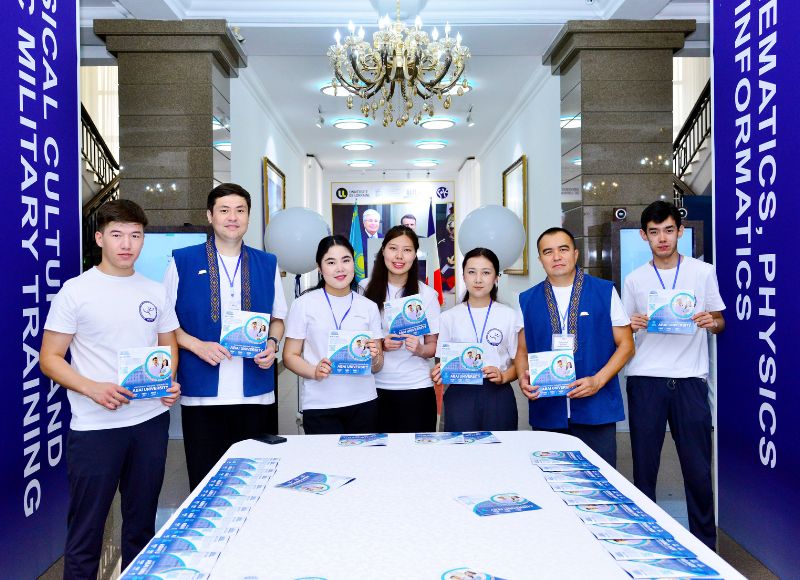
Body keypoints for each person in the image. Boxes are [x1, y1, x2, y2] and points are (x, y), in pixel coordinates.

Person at [39, 200, 181, 579]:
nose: (127, 244)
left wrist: (166, 381)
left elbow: (168, 343)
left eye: (135, 235)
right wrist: (92, 388)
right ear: (100, 238)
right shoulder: (76, 291)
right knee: (86, 532)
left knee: (141, 526)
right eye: (117, 234)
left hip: (150, 422)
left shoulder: (154, 290)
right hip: (96, 428)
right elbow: (50, 358)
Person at [164, 183, 288, 490]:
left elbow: (278, 319)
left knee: (253, 479)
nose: (233, 217)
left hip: (255, 392)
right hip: (202, 393)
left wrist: (272, 344)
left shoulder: (267, 263)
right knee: (205, 480)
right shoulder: (182, 261)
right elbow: (165, 324)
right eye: (224, 210)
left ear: (248, 217)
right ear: (210, 216)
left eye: (240, 210)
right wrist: (196, 345)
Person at [622, 201, 725, 550]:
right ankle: (647, 544)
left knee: (698, 471)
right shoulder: (634, 279)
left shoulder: (703, 272)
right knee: (644, 470)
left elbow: (720, 320)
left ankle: (705, 547)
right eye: (654, 232)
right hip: (645, 380)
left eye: (668, 230)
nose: (662, 238)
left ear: (680, 231)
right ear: (644, 236)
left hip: (690, 381)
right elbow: (623, 331)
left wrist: (712, 322)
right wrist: (632, 324)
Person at [514, 227, 634, 467]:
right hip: (548, 409)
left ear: (575, 254)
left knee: (599, 479)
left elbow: (626, 345)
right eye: (548, 252)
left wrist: (598, 381)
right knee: (550, 478)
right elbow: (522, 351)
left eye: (563, 249)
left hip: (596, 408)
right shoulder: (527, 299)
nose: (556, 257)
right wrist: (522, 378)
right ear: (540, 259)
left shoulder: (604, 291)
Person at [283, 235, 384, 434]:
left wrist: (375, 358)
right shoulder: (303, 304)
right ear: (320, 268)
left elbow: (378, 365)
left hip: (364, 402)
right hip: (320, 405)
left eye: (346, 260)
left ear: (353, 263)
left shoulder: (369, 306)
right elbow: (289, 356)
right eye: (331, 262)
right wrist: (313, 371)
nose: (340, 268)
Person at [433, 248, 522, 432]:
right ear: (463, 276)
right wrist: (438, 372)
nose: (478, 279)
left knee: (501, 447)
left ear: (496, 278)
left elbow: (519, 364)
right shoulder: (448, 317)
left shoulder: (510, 316)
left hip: (498, 394)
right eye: (472, 272)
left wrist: (504, 376)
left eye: (486, 273)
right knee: (459, 447)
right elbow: (442, 363)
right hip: (460, 394)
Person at [362, 225, 440, 432]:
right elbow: (357, 339)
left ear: (415, 254)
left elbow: (433, 345)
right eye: (393, 248)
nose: (399, 256)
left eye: (407, 250)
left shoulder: (427, 294)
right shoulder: (364, 288)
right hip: (373, 387)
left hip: (416, 387)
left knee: (418, 449)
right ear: (383, 251)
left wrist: (420, 349)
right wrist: (381, 344)